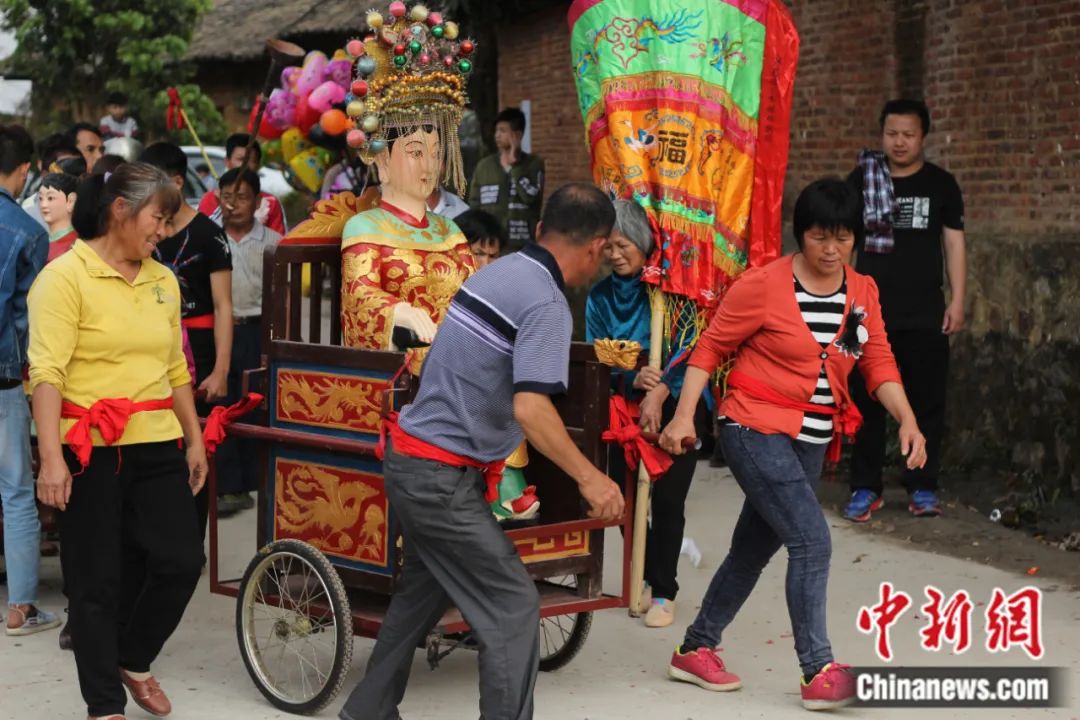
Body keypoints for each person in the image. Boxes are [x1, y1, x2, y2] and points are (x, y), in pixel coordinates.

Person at [338, 183, 624, 720]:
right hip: (438, 477)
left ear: (540, 230)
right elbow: (531, 409)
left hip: (416, 464)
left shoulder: (501, 271)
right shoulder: (546, 302)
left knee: (421, 594)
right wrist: (591, 478)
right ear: (596, 248)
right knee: (513, 605)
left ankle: (367, 712)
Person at [658, 178, 928, 710]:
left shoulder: (861, 293)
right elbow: (710, 347)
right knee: (812, 540)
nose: (831, 249)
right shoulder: (762, 285)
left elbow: (876, 361)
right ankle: (817, 669)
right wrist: (685, 414)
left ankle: (695, 648)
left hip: (811, 438)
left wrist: (908, 419)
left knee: (753, 548)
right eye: (819, 237)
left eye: (842, 238)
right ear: (800, 234)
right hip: (752, 427)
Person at [28, 162, 205, 720]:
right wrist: (51, 459)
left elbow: (176, 368)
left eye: (169, 221)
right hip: (89, 449)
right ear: (120, 210)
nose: (164, 231)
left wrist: (195, 439)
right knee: (95, 582)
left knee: (181, 561)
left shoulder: (162, 280)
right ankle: (104, 705)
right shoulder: (63, 277)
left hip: (156, 440)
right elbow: (46, 374)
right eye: (159, 218)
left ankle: (133, 655)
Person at [844, 99, 966, 522]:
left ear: (923, 137)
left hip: (925, 311)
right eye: (892, 133)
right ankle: (865, 486)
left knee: (927, 400)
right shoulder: (863, 179)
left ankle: (922, 485)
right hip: (867, 312)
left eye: (908, 135)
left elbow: (954, 244)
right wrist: (841, 298)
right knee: (866, 400)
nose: (899, 142)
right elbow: (846, 242)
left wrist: (959, 299)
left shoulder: (941, 185)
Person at [585, 199, 697, 629]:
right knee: (626, 501)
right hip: (621, 409)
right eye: (608, 246)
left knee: (668, 501)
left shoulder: (671, 291)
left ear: (643, 241)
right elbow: (596, 359)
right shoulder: (598, 297)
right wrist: (631, 378)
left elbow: (695, 349)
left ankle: (664, 591)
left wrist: (662, 387)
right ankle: (646, 574)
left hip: (676, 406)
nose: (615, 254)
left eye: (624, 244)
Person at [139, 141, 232, 535]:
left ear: (177, 183)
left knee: (197, 445)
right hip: (154, 349)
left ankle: (193, 541)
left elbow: (223, 305)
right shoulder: (143, 235)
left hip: (201, 350)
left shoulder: (210, 235)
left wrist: (221, 370)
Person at [0, 124, 58, 637]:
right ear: (23, 170)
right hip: (3, 380)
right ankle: (20, 608)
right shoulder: (28, 231)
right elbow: (26, 316)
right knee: (16, 492)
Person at [213, 167, 281, 515]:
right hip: (219, 329)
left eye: (241, 198)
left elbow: (282, 295)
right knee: (220, 403)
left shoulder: (274, 242)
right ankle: (228, 486)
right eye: (227, 197)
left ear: (257, 202)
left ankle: (255, 480)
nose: (233, 205)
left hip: (256, 330)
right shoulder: (210, 237)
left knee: (253, 402)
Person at [468, 107, 545, 252]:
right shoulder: (484, 166)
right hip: (490, 245)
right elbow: (474, 204)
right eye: (496, 131)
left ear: (517, 135)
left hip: (522, 245)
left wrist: (515, 165)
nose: (497, 135)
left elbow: (531, 198)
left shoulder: (533, 164)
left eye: (503, 131)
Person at [198, 134, 286, 235]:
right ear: (227, 162)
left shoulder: (271, 203)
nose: (245, 166)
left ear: (258, 165)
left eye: (251, 161)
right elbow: (201, 237)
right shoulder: (210, 199)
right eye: (241, 160)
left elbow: (279, 241)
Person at [38, 173, 79, 262]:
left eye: (50, 198)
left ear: (70, 201)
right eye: (41, 198)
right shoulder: (40, 242)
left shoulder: (74, 246)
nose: (43, 205)